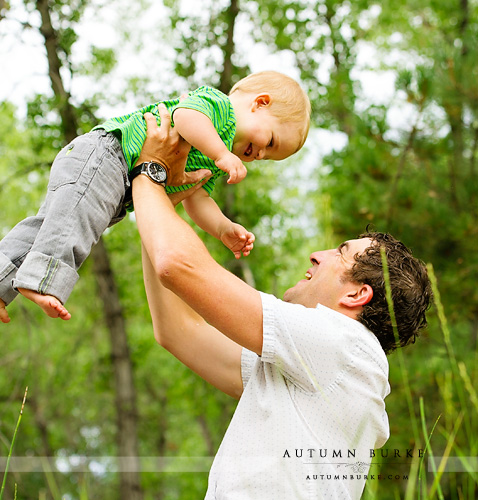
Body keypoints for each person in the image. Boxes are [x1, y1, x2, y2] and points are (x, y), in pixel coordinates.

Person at [131, 105, 432, 499]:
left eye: (340, 254)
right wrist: (164, 203)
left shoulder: (345, 346)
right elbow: (178, 331)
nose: (317, 255)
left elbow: (178, 265)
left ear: (357, 294)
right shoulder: (307, 368)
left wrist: (149, 172)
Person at [0, 71, 312, 323]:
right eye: (270, 142)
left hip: (115, 182)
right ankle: (42, 281)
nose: (262, 155)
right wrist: (222, 152)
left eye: (270, 156)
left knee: (51, 224)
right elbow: (185, 117)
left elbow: (196, 198)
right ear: (259, 103)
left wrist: (222, 228)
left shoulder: (215, 157)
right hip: (107, 156)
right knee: (76, 223)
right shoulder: (218, 108)